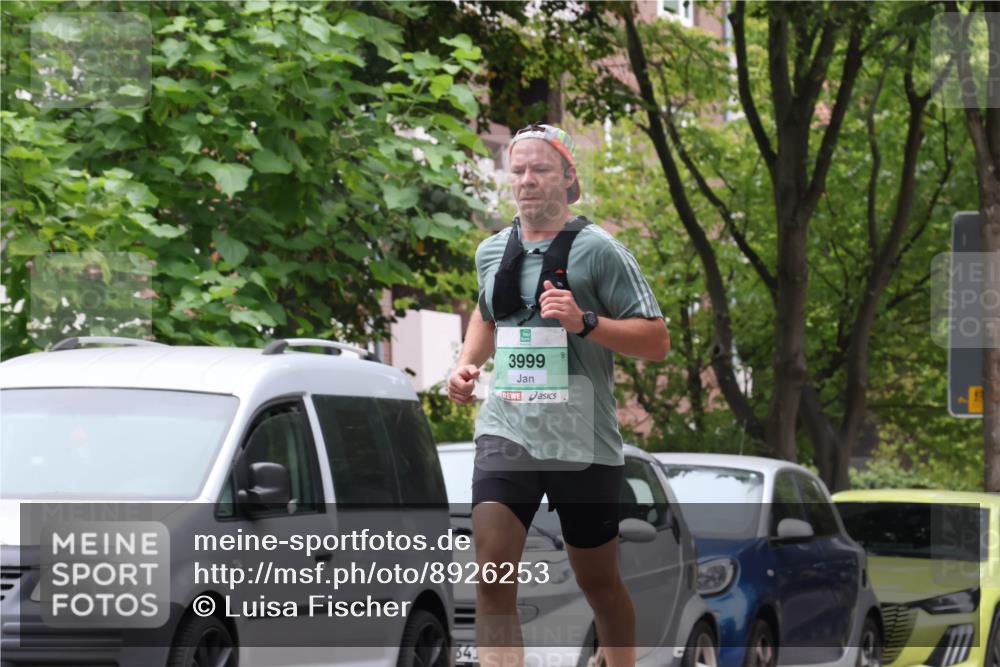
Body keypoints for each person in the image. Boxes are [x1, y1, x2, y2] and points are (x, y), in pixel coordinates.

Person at [447, 122, 669, 667]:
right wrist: (467, 364)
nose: (526, 181)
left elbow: (657, 341)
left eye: (540, 169)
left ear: (569, 178)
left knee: (600, 583)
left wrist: (585, 321)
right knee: (492, 573)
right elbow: (485, 312)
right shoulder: (492, 250)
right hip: (508, 430)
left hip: (581, 440)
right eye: (517, 170)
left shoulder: (601, 252)